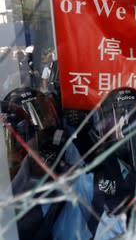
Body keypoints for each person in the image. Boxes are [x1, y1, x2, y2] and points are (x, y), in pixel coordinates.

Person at [1, 87, 95, 240]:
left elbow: (84, 182)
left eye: (43, 115)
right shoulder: (14, 173)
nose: (44, 127)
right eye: (36, 121)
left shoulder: (60, 150)